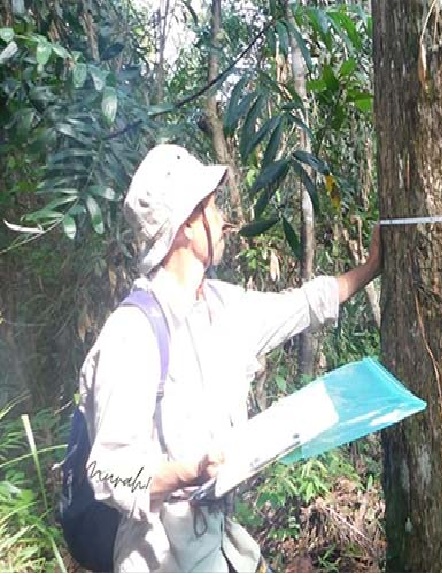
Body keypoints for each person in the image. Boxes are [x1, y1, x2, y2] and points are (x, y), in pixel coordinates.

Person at [78, 143, 382, 572]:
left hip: (221, 544)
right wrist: (188, 471)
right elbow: (110, 474)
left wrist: (369, 268)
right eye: (213, 207)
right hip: (160, 556)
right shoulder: (132, 334)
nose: (222, 220)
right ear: (186, 225)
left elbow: (301, 306)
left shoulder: (223, 307)